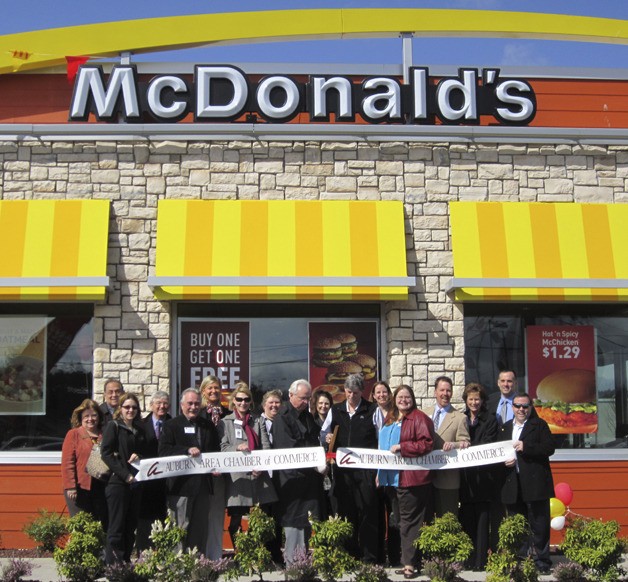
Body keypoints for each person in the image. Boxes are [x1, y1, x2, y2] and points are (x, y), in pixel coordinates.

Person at [379, 384, 434, 580]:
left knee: (408, 523)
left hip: (411, 479)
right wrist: (380, 472)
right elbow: (383, 447)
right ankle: (412, 560)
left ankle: (409, 564)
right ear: (395, 399)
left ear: (413, 398)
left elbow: (426, 443)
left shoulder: (419, 418)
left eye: (407, 396)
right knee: (402, 521)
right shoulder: (391, 418)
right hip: (392, 479)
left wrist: (404, 447)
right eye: (400, 396)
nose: (403, 400)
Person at [159, 388, 221, 553]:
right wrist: (186, 450)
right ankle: (177, 566)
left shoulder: (208, 426)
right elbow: (164, 451)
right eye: (190, 403)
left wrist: (217, 467)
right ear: (181, 405)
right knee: (180, 526)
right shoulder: (171, 425)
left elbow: (215, 452)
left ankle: (196, 564)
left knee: (199, 527)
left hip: (203, 486)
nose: (193, 407)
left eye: (196, 404)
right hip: (181, 487)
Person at [501, 393, 555, 574]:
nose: (521, 410)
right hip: (514, 483)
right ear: (512, 407)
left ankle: (542, 561)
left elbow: (549, 448)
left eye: (525, 406)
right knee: (518, 524)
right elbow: (499, 451)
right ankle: (521, 559)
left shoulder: (539, 425)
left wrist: (526, 447)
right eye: (517, 406)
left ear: (530, 407)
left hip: (536, 483)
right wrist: (504, 461)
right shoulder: (506, 427)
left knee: (539, 524)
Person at [272, 379, 324, 564]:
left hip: (309, 481)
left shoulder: (307, 416)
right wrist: (314, 460)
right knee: (293, 523)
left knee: (307, 523)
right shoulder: (283, 417)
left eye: (309, 398)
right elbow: (289, 450)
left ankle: (303, 562)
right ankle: (293, 564)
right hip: (292, 481)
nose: (306, 402)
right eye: (303, 398)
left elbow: (314, 438)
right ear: (291, 395)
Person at [221, 383, 277, 546]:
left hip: (258, 475)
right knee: (236, 518)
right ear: (233, 401)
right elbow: (223, 448)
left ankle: (255, 550)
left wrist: (261, 465)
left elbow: (265, 445)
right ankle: (241, 552)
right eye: (239, 399)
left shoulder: (257, 420)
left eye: (246, 399)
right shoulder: (226, 422)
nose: (243, 403)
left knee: (261, 516)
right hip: (238, 479)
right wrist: (236, 447)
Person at [330, 373, 378, 563]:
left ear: (362, 392)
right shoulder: (336, 410)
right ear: (344, 390)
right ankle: (350, 554)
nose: (351, 396)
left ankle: (369, 557)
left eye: (356, 393)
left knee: (367, 512)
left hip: (366, 470)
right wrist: (327, 440)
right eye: (349, 392)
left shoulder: (372, 410)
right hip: (343, 472)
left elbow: (379, 437)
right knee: (346, 512)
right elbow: (326, 433)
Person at [101, 392, 147, 564]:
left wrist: (139, 455)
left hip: (135, 484)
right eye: (127, 407)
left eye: (134, 407)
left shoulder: (140, 429)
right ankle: (113, 565)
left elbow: (147, 452)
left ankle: (125, 562)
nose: (130, 410)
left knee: (130, 526)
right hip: (118, 483)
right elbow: (106, 453)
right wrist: (125, 474)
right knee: (117, 527)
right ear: (120, 409)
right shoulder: (114, 426)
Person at [459, 383, 499, 570]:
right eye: (471, 399)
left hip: (484, 479)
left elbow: (488, 443)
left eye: (477, 399)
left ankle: (481, 561)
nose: (474, 403)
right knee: (467, 519)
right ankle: (468, 559)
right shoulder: (462, 418)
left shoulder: (490, 420)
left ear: (482, 401)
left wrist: (468, 446)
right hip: (466, 479)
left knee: (483, 521)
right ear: (466, 401)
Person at [424, 376, 470, 517]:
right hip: (425, 476)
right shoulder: (423, 414)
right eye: (442, 390)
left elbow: (466, 442)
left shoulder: (459, 417)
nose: (445, 393)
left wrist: (454, 445)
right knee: (427, 521)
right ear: (435, 392)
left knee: (448, 520)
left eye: (448, 390)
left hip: (448, 479)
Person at [61, 399, 108, 527]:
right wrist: (71, 486)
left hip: (100, 487)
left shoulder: (105, 434)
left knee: (100, 523)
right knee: (81, 525)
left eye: (94, 415)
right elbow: (67, 463)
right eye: (86, 416)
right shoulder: (73, 434)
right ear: (80, 417)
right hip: (80, 487)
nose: (90, 419)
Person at [136, 390, 171, 552]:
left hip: (169, 482)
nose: (162, 406)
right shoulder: (141, 426)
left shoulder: (174, 424)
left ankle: (165, 553)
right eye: (158, 403)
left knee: (167, 519)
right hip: (147, 483)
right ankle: (145, 553)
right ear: (151, 406)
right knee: (146, 520)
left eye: (165, 403)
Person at [199, 375, 229, 560]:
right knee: (201, 515)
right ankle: (199, 555)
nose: (213, 391)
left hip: (221, 473)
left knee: (217, 514)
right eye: (209, 388)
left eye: (216, 388)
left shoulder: (227, 414)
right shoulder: (198, 413)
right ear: (203, 391)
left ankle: (215, 556)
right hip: (201, 473)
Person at [371, 380, 400, 566]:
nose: (381, 395)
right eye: (378, 392)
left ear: (389, 394)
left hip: (394, 472)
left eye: (384, 392)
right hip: (373, 468)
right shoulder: (370, 414)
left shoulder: (397, 413)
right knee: (377, 515)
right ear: (373, 396)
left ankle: (396, 556)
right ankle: (380, 556)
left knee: (394, 514)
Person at [260, 389, 284, 564]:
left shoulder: (284, 423)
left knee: (278, 517)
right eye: (271, 403)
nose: (274, 406)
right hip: (262, 478)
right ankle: (264, 555)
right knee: (264, 518)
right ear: (264, 405)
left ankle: (276, 555)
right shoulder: (257, 422)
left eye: (277, 403)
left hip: (281, 477)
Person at [311, 389, 335, 518]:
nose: (323, 406)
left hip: (331, 467)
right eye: (320, 403)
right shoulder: (311, 421)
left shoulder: (334, 422)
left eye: (326, 404)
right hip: (316, 468)